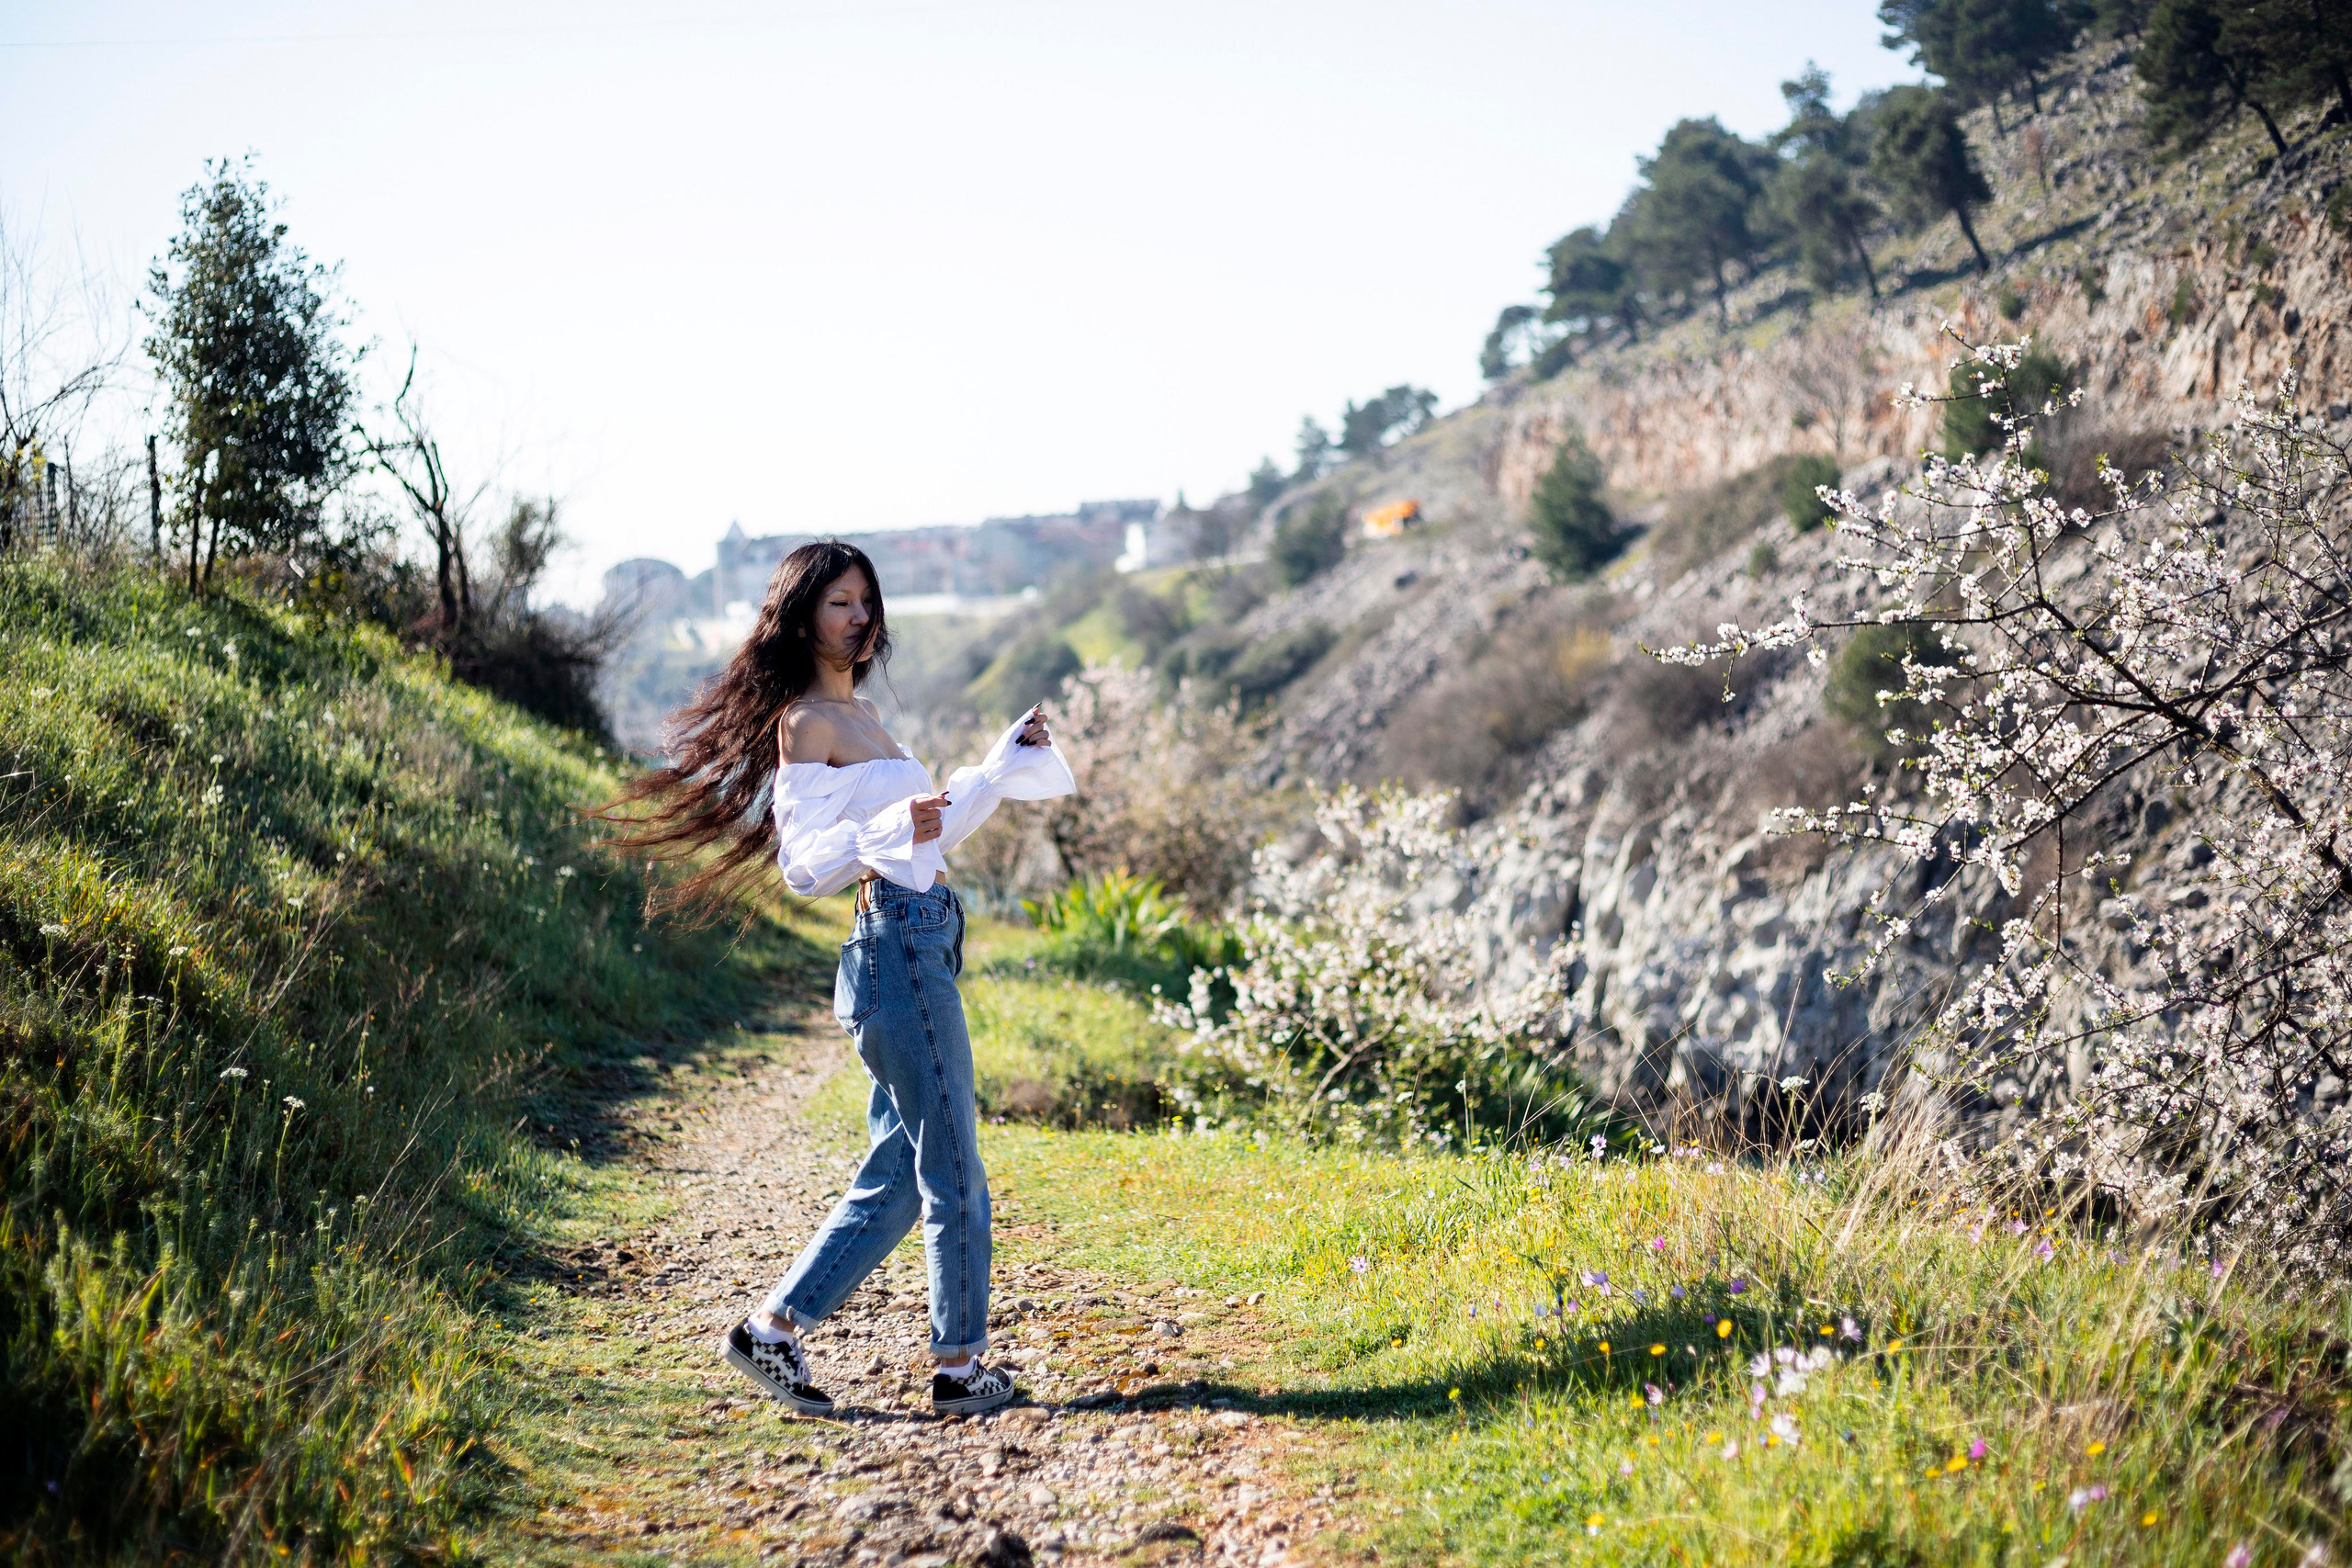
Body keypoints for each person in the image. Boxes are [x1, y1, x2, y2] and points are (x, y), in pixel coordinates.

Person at [596, 538, 1072, 1418]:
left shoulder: (870, 721)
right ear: (803, 615)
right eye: (840, 603)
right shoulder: (808, 722)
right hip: (894, 946)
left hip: (923, 940)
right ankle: (961, 1365)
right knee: (955, 1165)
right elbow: (807, 865)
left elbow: (925, 836)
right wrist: (894, 821)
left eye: (866, 602)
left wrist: (1000, 762)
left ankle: (772, 1331)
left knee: (902, 1171)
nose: (859, 618)